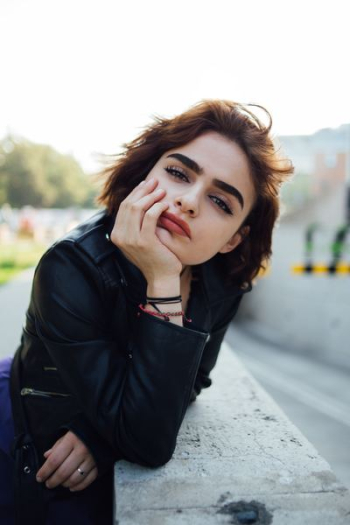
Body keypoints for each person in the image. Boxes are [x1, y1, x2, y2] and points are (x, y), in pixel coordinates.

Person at [0, 99, 293, 524]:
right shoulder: (71, 267)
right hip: (30, 435)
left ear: (232, 239)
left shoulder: (223, 282)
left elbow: (189, 383)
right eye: (177, 173)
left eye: (221, 202)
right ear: (144, 177)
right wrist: (163, 281)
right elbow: (148, 437)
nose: (189, 201)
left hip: (93, 437)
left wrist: (100, 439)